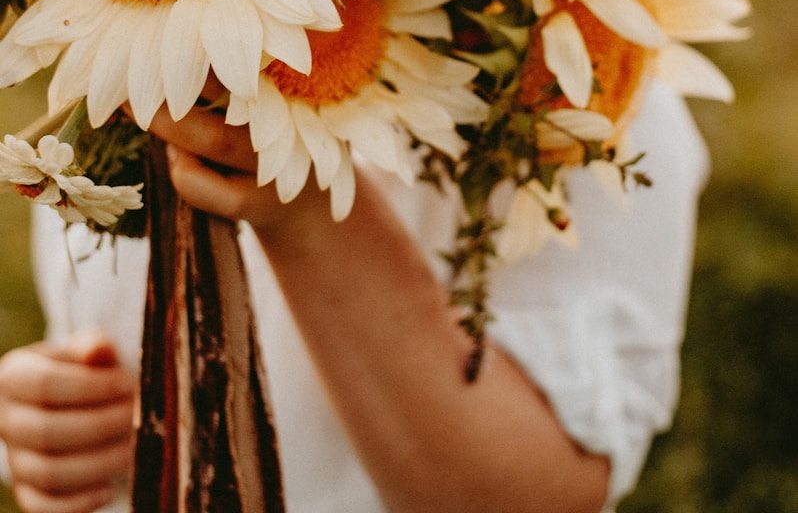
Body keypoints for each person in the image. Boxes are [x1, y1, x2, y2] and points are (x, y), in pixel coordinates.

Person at [0, 77, 709, 513]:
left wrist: (308, 207)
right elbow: (106, 324)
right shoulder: (125, 46)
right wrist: (48, 424)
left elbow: (537, 495)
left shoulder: (588, 92)